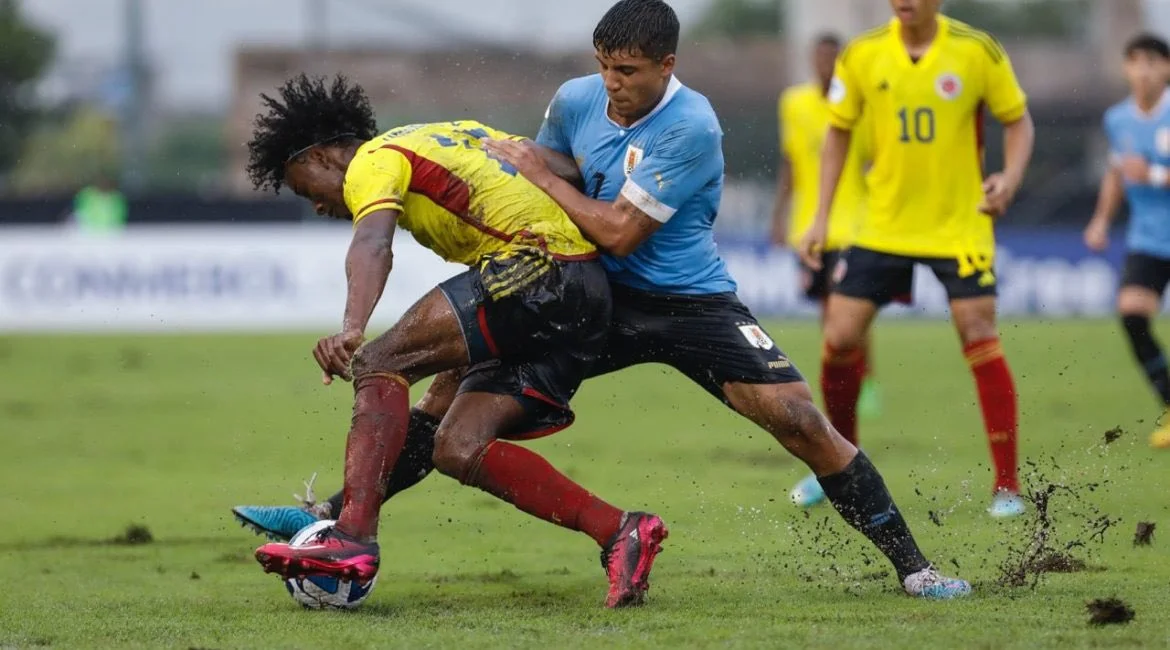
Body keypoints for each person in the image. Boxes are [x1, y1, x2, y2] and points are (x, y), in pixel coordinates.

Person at [236, 0, 972, 600]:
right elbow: (545, 166)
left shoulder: (692, 126)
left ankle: (914, 567)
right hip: (581, 297)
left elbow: (617, 229)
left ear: (667, 67)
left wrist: (539, 182)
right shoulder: (577, 100)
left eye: (628, 71)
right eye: (604, 67)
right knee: (448, 427)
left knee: (801, 422)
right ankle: (333, 521)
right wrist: (503, 170)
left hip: (683, 300)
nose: (612, 83)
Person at [243, 73, 667, 609]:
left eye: (307, 188)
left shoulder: (374, 159)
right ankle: (622, 531)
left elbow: (374, 243)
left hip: (538, 270)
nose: (319, 206)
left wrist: (352, 328)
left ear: (325, 155)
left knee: (379, 361)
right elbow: (564, 168)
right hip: (582, 293)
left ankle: (350, 539)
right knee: (452, 440)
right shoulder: (450, 131)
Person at [798, 0, 1036, 518]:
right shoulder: (862, 54)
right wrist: (819, 216)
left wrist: (1010, 178)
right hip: (883, 224)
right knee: (839, 335)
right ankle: (839, 466)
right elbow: (837, 132)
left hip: (959, 224)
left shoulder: (976, 50)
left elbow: (1017, 122)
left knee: (977, 329)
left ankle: (1007, 485)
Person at [772, 32, 880, 509]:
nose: (826, 65)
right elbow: (793, 163)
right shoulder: (793, 103)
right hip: (809, 227)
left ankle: (862, 390)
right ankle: (838, 453)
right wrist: (780, 214)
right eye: (819, 57)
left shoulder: (861, 104)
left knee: (844, 322)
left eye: (834, 59)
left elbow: (876, 163)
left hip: (855, 227)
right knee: (829, 322)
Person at [1084, 33, 1170, 449]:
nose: (1144, 70)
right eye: (1136, 61)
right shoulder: (1117, 119)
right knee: (1133, 315)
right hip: (1149, 238)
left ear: (1167, 68)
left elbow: (1139, 171)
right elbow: (1117, 173)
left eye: (1153, 62)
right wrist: (1101, 220)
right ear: (1126, 68)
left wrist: (1153, 175)